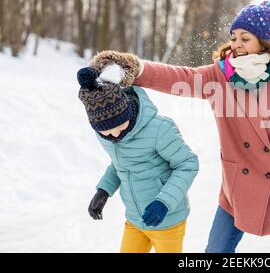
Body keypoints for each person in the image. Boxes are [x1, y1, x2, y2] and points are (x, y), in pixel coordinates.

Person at [90, 1, 270, 253]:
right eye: (234, 36)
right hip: (239, 187)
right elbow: (181, 77)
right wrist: (137, 70)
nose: (236, 44)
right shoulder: (221, 75)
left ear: (264, 42)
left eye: (245, 38)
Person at [77, 65, 199, 253]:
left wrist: (163, 202)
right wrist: (103, 191)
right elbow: (120, 164)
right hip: (135, 219)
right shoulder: (108, 136)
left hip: (168, 220)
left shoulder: (159, 129)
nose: (115, 135)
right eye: (106, 131)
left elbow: (187, 164)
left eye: (118, 127)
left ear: (126, 111)